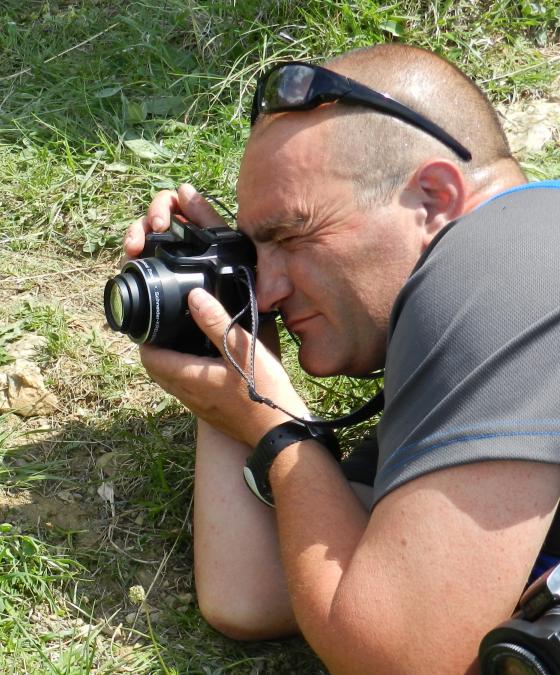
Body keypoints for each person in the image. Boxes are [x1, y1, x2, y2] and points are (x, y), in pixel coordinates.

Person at [124, 43, 560, 673]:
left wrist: (278, 435)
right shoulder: (469, 319)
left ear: (434, 197)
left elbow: (401, 658)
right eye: (253, 254)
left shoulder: (502, 252)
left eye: (292, 236)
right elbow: (255, 594)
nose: (269, 289)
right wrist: (226, 321)